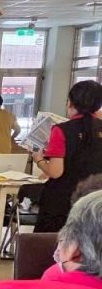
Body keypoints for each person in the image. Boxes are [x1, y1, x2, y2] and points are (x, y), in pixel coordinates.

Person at [33, 80, 102, 232]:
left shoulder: (62, 130)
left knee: (52, 244)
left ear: (71, 103)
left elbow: (55, 172)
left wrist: (39, 159)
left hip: (62, 202)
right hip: (94, 202)